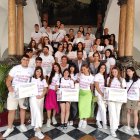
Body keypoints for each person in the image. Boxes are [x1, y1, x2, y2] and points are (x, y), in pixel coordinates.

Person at [3, 55, 33, 138]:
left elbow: (33, 81)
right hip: (14, 92)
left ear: (29, 61)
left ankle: (22, 124)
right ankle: (10, 128)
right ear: (21, 60)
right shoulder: (15, 68)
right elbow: (8, 80)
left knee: (23, 109)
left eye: (27, 60)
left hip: (24, 93)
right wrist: (9, 87)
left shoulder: (31, 70)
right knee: (11, 110)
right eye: (24, 59)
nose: (25, 61)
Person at [107, 67, 126, 137]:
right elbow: (107, 89)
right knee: (112, 113)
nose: (114, 73)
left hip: (118, 100)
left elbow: (123, 90)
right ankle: (112, 129)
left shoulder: (122, 80)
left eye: (115, 72)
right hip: (111, 99)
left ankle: (115, 126)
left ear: (118, 72)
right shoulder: (109, 79)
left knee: (117, 112)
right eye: (113, 72)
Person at [30, 66, 48, 139]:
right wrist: (35, 94)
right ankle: (38, 131)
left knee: (39, 113)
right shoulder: (32, 79)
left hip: (41, 98)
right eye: (37, 71)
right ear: (35, 71)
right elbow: (29, 89)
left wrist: (41, 95)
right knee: (37, 112)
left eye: (40, 72)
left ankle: (36, 126)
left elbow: (45, 89)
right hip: (33, 98)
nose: (39, 73)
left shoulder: (43, 80)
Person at [124, 67, 140, 135]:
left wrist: (139, 100)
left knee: (135, 113)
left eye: (129, 71)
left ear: (133, 71)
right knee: (128, 112)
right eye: (127, 71)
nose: (128, 72)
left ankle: (135, 127)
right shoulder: (126, 80)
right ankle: (128, 126)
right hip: (128, 98)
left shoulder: (138, 80)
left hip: (136, 99)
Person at [45, 63, 62, 127]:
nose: (55, 68)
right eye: (54, 67)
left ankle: (53, 117)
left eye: (56, 67)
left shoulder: (60, 75)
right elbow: (47, 82)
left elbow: (60, 83)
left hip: (56, 92)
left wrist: (57, 88)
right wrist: (47, 89)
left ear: (58, 67)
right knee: (49, 105)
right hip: (50, 91)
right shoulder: (51, 74)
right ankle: (48, 119)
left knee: (55, 105)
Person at [78, 64, 94, 129]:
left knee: (87, 107)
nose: (83, 70)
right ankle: (81, 119)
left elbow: (92, 86)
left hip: (87, 93)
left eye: (84, 69)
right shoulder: (81, 75)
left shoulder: (91, 77)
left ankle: (85, 121)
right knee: (81, 107)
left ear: (88, 69)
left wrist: (91, 93)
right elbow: (77, 82)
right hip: (81, 92)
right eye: (82, 69)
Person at [94, 64, 108, 129]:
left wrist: (104, 94)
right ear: (99, 68)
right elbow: (96, 86)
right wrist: (101, 94)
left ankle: (98, 121)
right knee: (103, 108)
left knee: (100, 108)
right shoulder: (97, 76)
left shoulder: (104, 76)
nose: (102, 69)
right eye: (101, 68)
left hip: (103, 94)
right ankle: (104, 123)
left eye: (104, 68)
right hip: (98, 94)